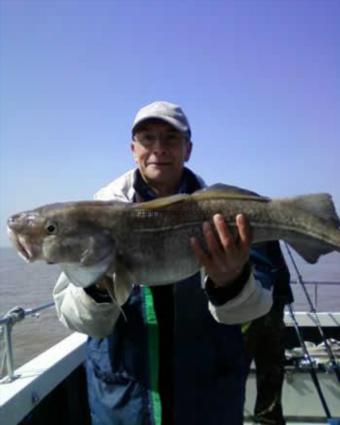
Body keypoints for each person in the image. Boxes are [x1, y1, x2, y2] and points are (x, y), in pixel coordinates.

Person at [53, 100, 276, 425]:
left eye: (171, 138)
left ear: (188, 149)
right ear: (133, 149)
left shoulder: (227, 213)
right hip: (123, 405)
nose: (158, 148)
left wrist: (232, 283)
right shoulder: (97, 213)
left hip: (208, 402)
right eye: (147, 139)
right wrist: (97, 287)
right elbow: (79, 321)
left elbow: (256, 308)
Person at [243, 243, 293, 425]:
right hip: (243, 299)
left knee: (271, 372)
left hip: (272, 295)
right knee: (233, 374)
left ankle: (268, 418)